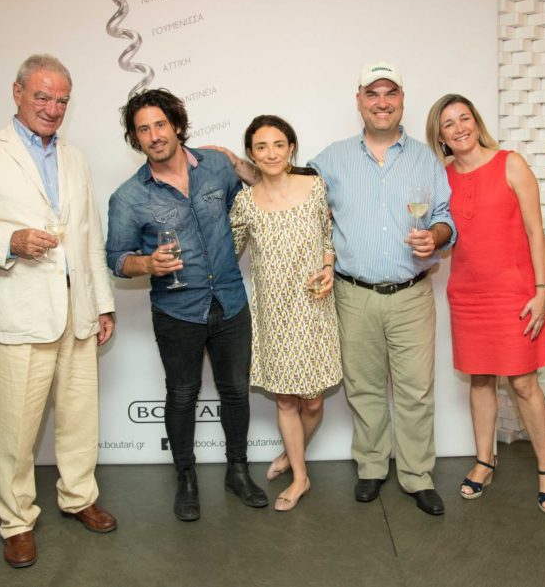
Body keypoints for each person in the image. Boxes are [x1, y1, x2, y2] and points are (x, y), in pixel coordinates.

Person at [0, 54, 117, 569]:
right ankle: (16, 522)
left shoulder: (76, 157)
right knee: (17, 431)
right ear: (16, 93)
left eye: (62, 100)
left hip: (77, 313)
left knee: (80, 419)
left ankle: (78, 497)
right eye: (42, 96)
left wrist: (103, 304)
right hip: (18, 317)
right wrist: (8, 241)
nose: (53, 108)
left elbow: (89, 237)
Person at [105, 88, 267, 522]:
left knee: (236, 391)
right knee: (181, 395)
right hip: (177, 311)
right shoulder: (128, 197)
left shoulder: (216, 166)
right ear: (136, 139)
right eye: (144, 130)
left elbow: (261, 193)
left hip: (230, 301)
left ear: (177, 125)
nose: (155, 135)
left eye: (160, 124)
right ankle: (186, 479)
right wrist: (147, 263)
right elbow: (116, 259)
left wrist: (236, 159)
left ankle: (238, 472)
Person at [309, 62, 456, 516]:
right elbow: (289, 191)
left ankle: (417, 475)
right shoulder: (331, 159)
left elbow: (445, 219)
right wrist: (241, 167)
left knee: (416, 391)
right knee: (364, 388)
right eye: (372, 93)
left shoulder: (426, 159)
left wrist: (436, 236)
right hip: (353, 295)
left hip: (412, 294)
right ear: (359, 101)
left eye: (390, 93)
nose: (382, 102)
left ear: (402, 100)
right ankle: (372, 467)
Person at [425, 93, 545, 514]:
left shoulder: (511, 163)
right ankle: (485, 461)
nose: (459, 128)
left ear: (476, 122)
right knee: (481, 380)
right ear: (440, 136)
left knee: (523, 383)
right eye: (449, 123)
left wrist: (541, 291)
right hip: (467, 294)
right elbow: (443, 236)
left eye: (464, 118)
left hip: (514, 293)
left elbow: (536, 231)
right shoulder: (441, 177)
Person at [229, 115, 343, 512]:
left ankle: (290, 454)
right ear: (251, 154)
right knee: (285, 401)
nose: (271, 153)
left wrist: (328, 267)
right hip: (273, 314)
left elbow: (329, 238)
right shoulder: (245, 203)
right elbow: (229, 251)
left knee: (313, 402)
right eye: (261, 147)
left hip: (313, 306)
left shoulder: (315, 188)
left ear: (291, 147)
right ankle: (300, 477)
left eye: (279, 144)